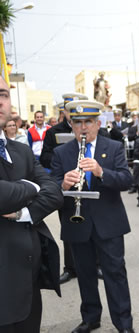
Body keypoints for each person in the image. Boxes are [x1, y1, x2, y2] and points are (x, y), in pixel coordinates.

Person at [51, 100, 135, 333]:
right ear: (71, 125)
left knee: (115, 274)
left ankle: (124, 324)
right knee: (85, 274)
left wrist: (100, 172)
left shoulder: (114, 147)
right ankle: (91, 318)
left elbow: (126, 181)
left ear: (98, 123)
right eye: (77, 122)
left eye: (88, 122)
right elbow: (52, 187)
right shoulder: (61, 152)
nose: (83, 127)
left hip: (108, 223)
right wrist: (62, 185)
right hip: (76, 222)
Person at [0, 76, 63, 333]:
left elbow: (54, 191)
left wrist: (23, 213)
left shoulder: (21, 151)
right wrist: (31, 187)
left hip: (27, 282)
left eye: (3, 94)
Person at [40, 92, 89, 285]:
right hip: (67, 183)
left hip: (89, 182)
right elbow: (45, 157)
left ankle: (96, 264)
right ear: (65, 112)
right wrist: (65, 160)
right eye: (69, 111)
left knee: (96, 224)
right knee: (69, 226)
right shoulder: (54, 132)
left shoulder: (93, 129)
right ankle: (71, 268)